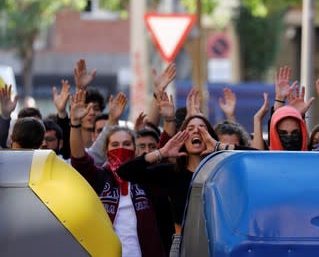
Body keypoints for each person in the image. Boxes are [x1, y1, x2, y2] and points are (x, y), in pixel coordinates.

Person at [118, 114, 254, 257]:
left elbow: (260, 158)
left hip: (220, 244)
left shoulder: (224, 173)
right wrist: (161, 152)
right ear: (182, 138)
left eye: (202, 128)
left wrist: (220, 147)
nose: (196, 131)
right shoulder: (171, 173)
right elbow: (125, 172)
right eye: (190, 128)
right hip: (183, 245)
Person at [70, 89, 165, 257]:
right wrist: (75, 123)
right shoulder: (100, 177)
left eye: (127, 144)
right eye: (115, 145)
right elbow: (79, 159)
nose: (120, 149)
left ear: (135, 149)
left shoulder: (146, 177)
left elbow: (164, 150)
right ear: (106, 150)